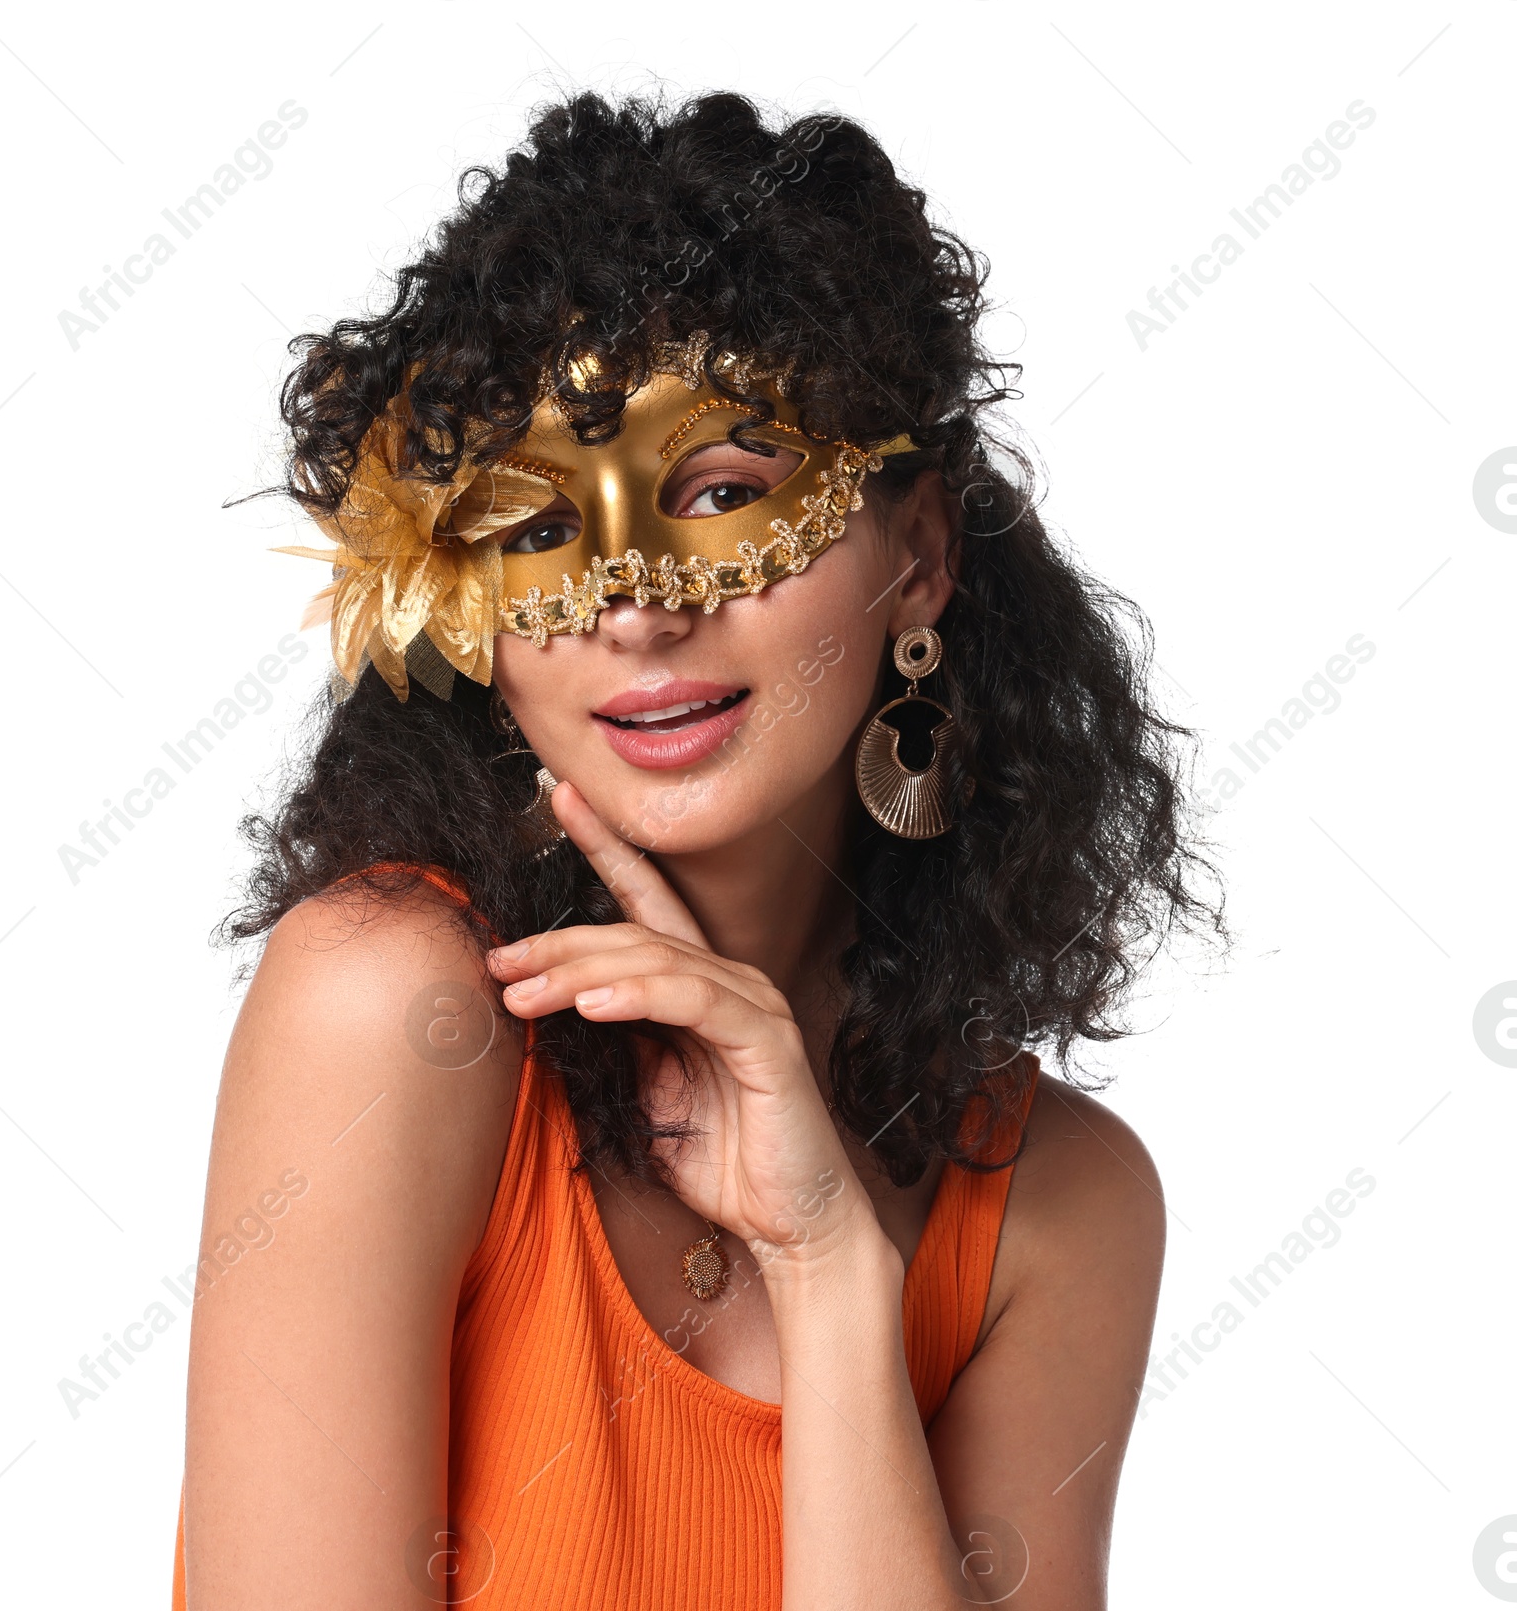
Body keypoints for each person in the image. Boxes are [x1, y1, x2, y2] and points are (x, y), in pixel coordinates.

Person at [174, 90, 1224, 1610]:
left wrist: (830, 1269)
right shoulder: (387, 1013)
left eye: (727, 496)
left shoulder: (1059, 1207)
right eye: (538, 526)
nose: (639, 608)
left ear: (919, 553)